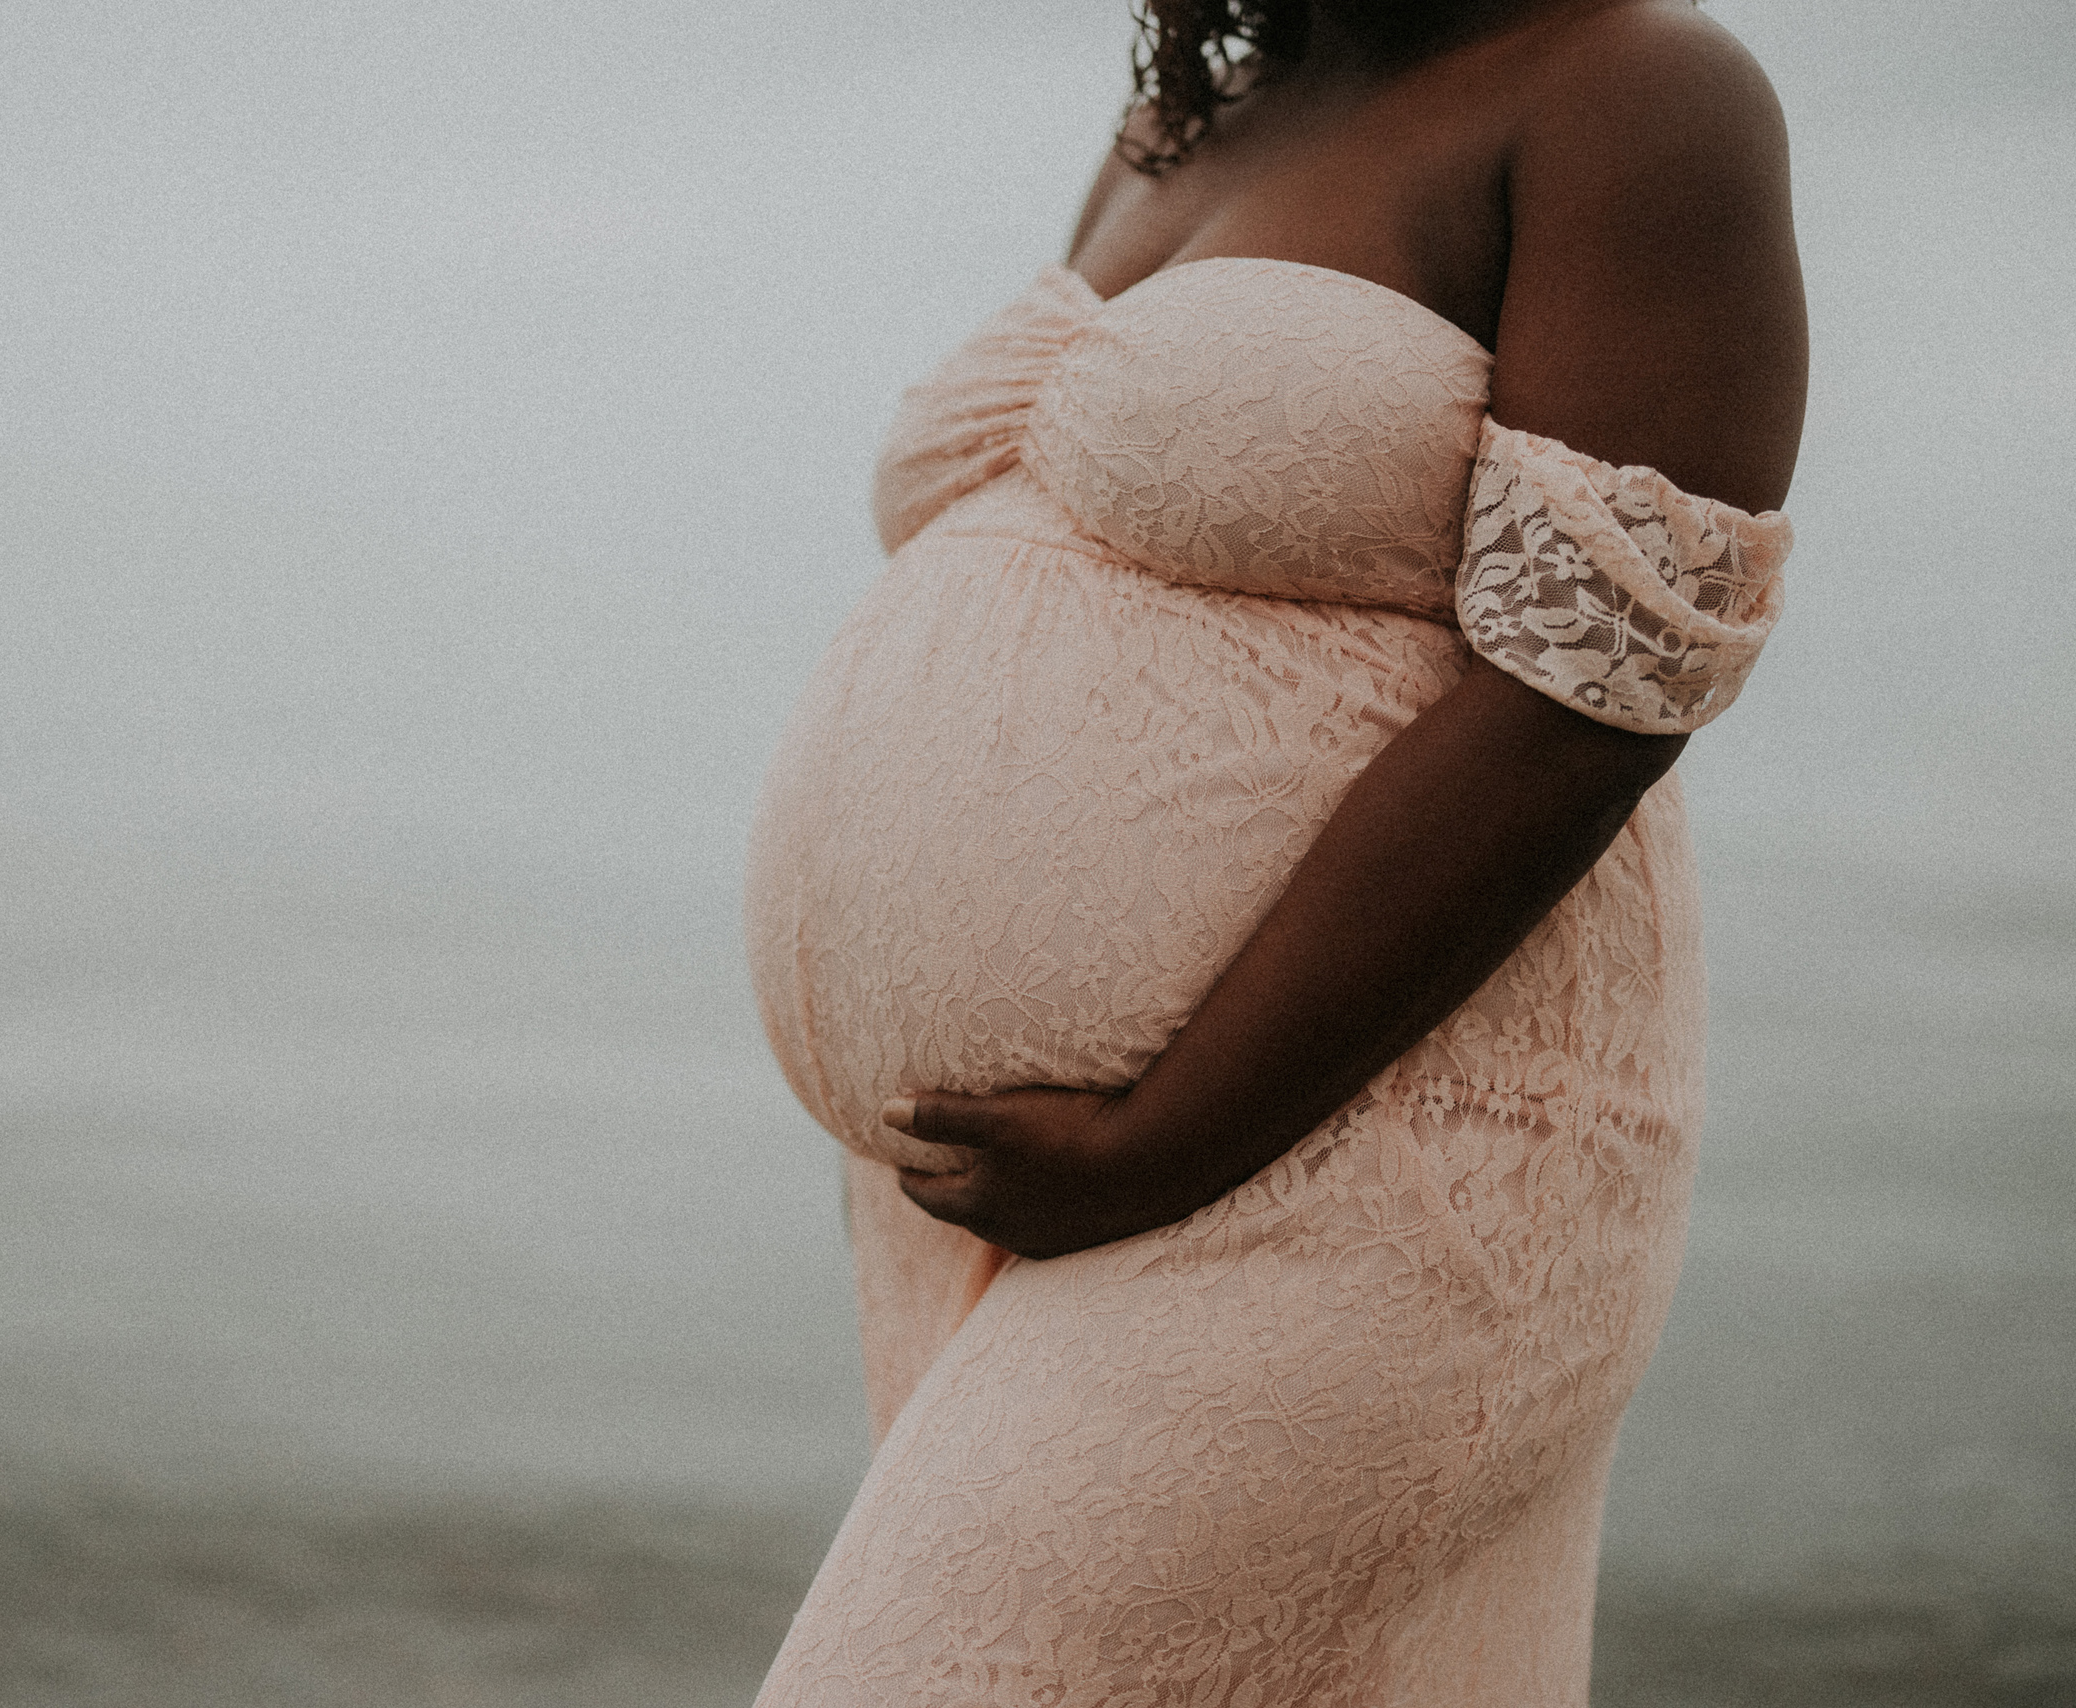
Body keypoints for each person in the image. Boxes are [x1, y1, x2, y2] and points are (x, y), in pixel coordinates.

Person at [741, 0, 1805, 1699]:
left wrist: (1167, 1134)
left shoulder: (1635, 94)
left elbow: (1595, 688)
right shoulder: (1205, 112)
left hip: (1372, 1153)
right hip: (1022, 1182)